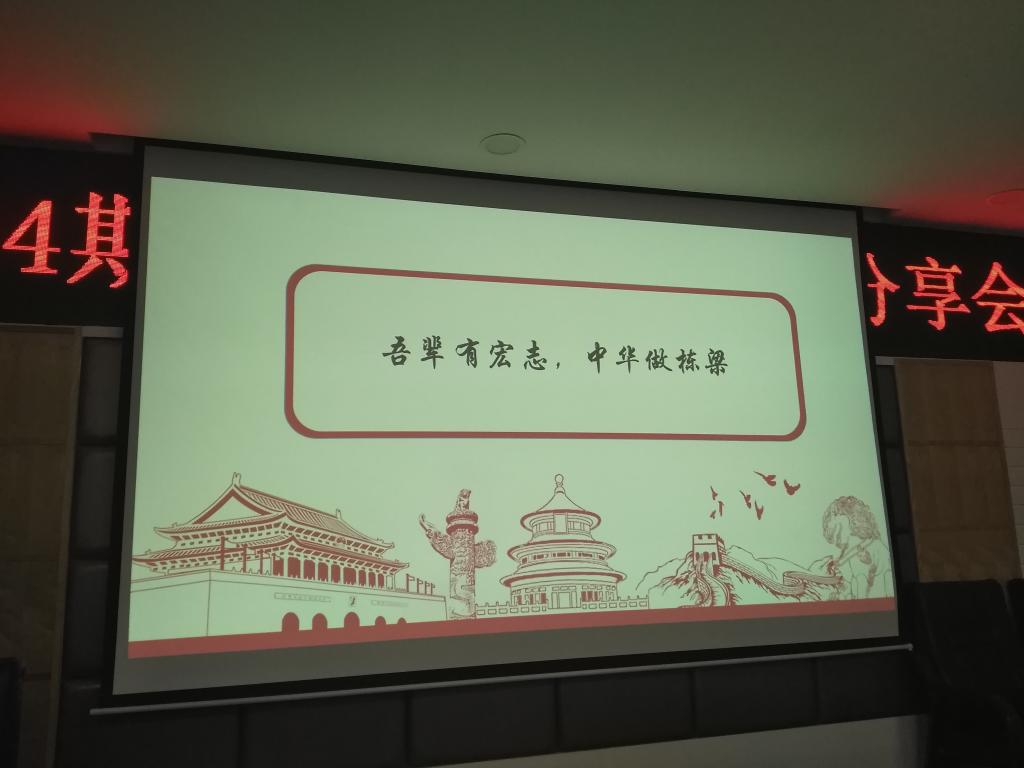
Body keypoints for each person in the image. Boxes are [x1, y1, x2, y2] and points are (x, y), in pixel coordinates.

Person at [821, 496, 893, 599]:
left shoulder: (869, 550)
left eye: (837, 533)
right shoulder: (857, 548)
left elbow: (862, 592)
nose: (836, 541)